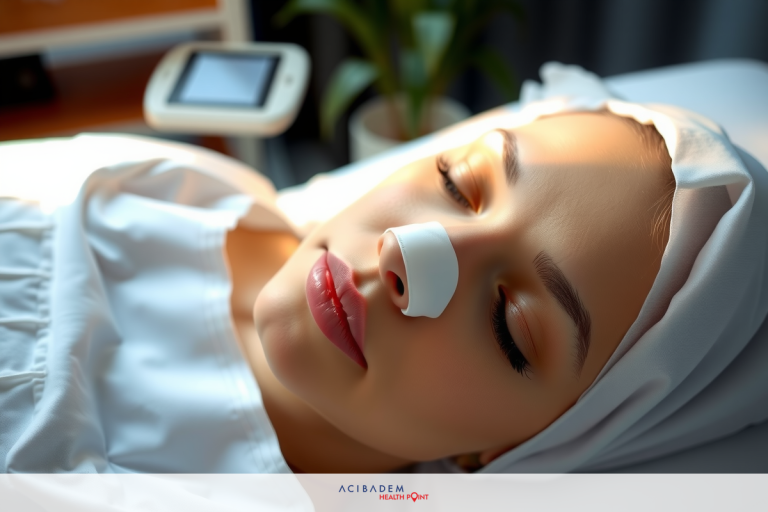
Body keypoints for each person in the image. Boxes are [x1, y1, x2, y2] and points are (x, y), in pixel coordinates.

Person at [1, 64, 766, 474]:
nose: (406, 251)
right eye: (456, 183)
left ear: (513, 452)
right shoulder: (190, 191)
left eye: (510, 325)